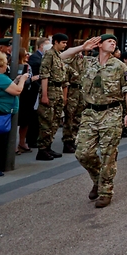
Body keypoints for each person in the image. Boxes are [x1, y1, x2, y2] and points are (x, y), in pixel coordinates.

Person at [69, 35, 127, 208]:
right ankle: (98, 179)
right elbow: (62, 57)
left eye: (115, 41)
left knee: (108, 154)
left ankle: (105, 192)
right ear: (100, 45)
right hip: (90, 113)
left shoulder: (120, 66)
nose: (113, 43)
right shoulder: (87, 62)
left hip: (111, 112)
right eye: (109, 41)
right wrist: (82, 47)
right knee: (82, 153)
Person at [36, 33, 70, 161]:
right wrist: (44, 95)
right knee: (46, 121)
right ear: (56, 42)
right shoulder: (49, 55)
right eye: (63, 43)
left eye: (66, 43)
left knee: (55, 121)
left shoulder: (58, 56)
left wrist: (64, 96)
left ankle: (48, 146)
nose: (65, 45)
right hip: (50, 90)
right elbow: (44, 76)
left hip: (58, 90)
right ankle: (42, 149)